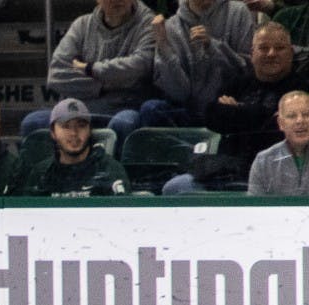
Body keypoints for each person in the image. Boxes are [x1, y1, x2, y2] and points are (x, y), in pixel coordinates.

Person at [162, 22, 307, 193]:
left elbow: (272, 132)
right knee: (174, 187)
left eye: (279, 48)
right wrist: (256, 115)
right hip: (226, 171)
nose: (271, 54)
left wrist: (238, 111)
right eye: (263, 48)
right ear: (252, 54)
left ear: (291, 52)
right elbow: (211, 115)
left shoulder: (302, 88)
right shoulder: (239, 82)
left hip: (276, 176)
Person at [20, 0, 156, 154]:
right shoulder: (81, 25)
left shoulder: (148, 24)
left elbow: (139, 67)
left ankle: (114, 177)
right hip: (76, 109)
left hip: (122, 109)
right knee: (33, 122)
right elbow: (56, 74)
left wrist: (90, 68)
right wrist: (108, 82)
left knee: (125, 122)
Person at [140, 0, 255, 127]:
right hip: (188, 110)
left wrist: (213, 47)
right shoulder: (170, 27)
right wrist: (163, 47)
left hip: (227, 106)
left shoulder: (238, 12)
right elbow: (179, 93)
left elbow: (247, 70)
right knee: (151, 109)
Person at [14, 98, 131, 197]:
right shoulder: (41, 173)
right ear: (53, 132)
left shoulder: (110, 169)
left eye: (81, 126)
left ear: (90, 130)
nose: (74, 133)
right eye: (66, 126)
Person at [247, 89, 309, 194]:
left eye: (306, 114)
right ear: (280, 123)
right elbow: (255, 207)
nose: (300, 121)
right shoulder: (264, 161)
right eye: (292, 116)